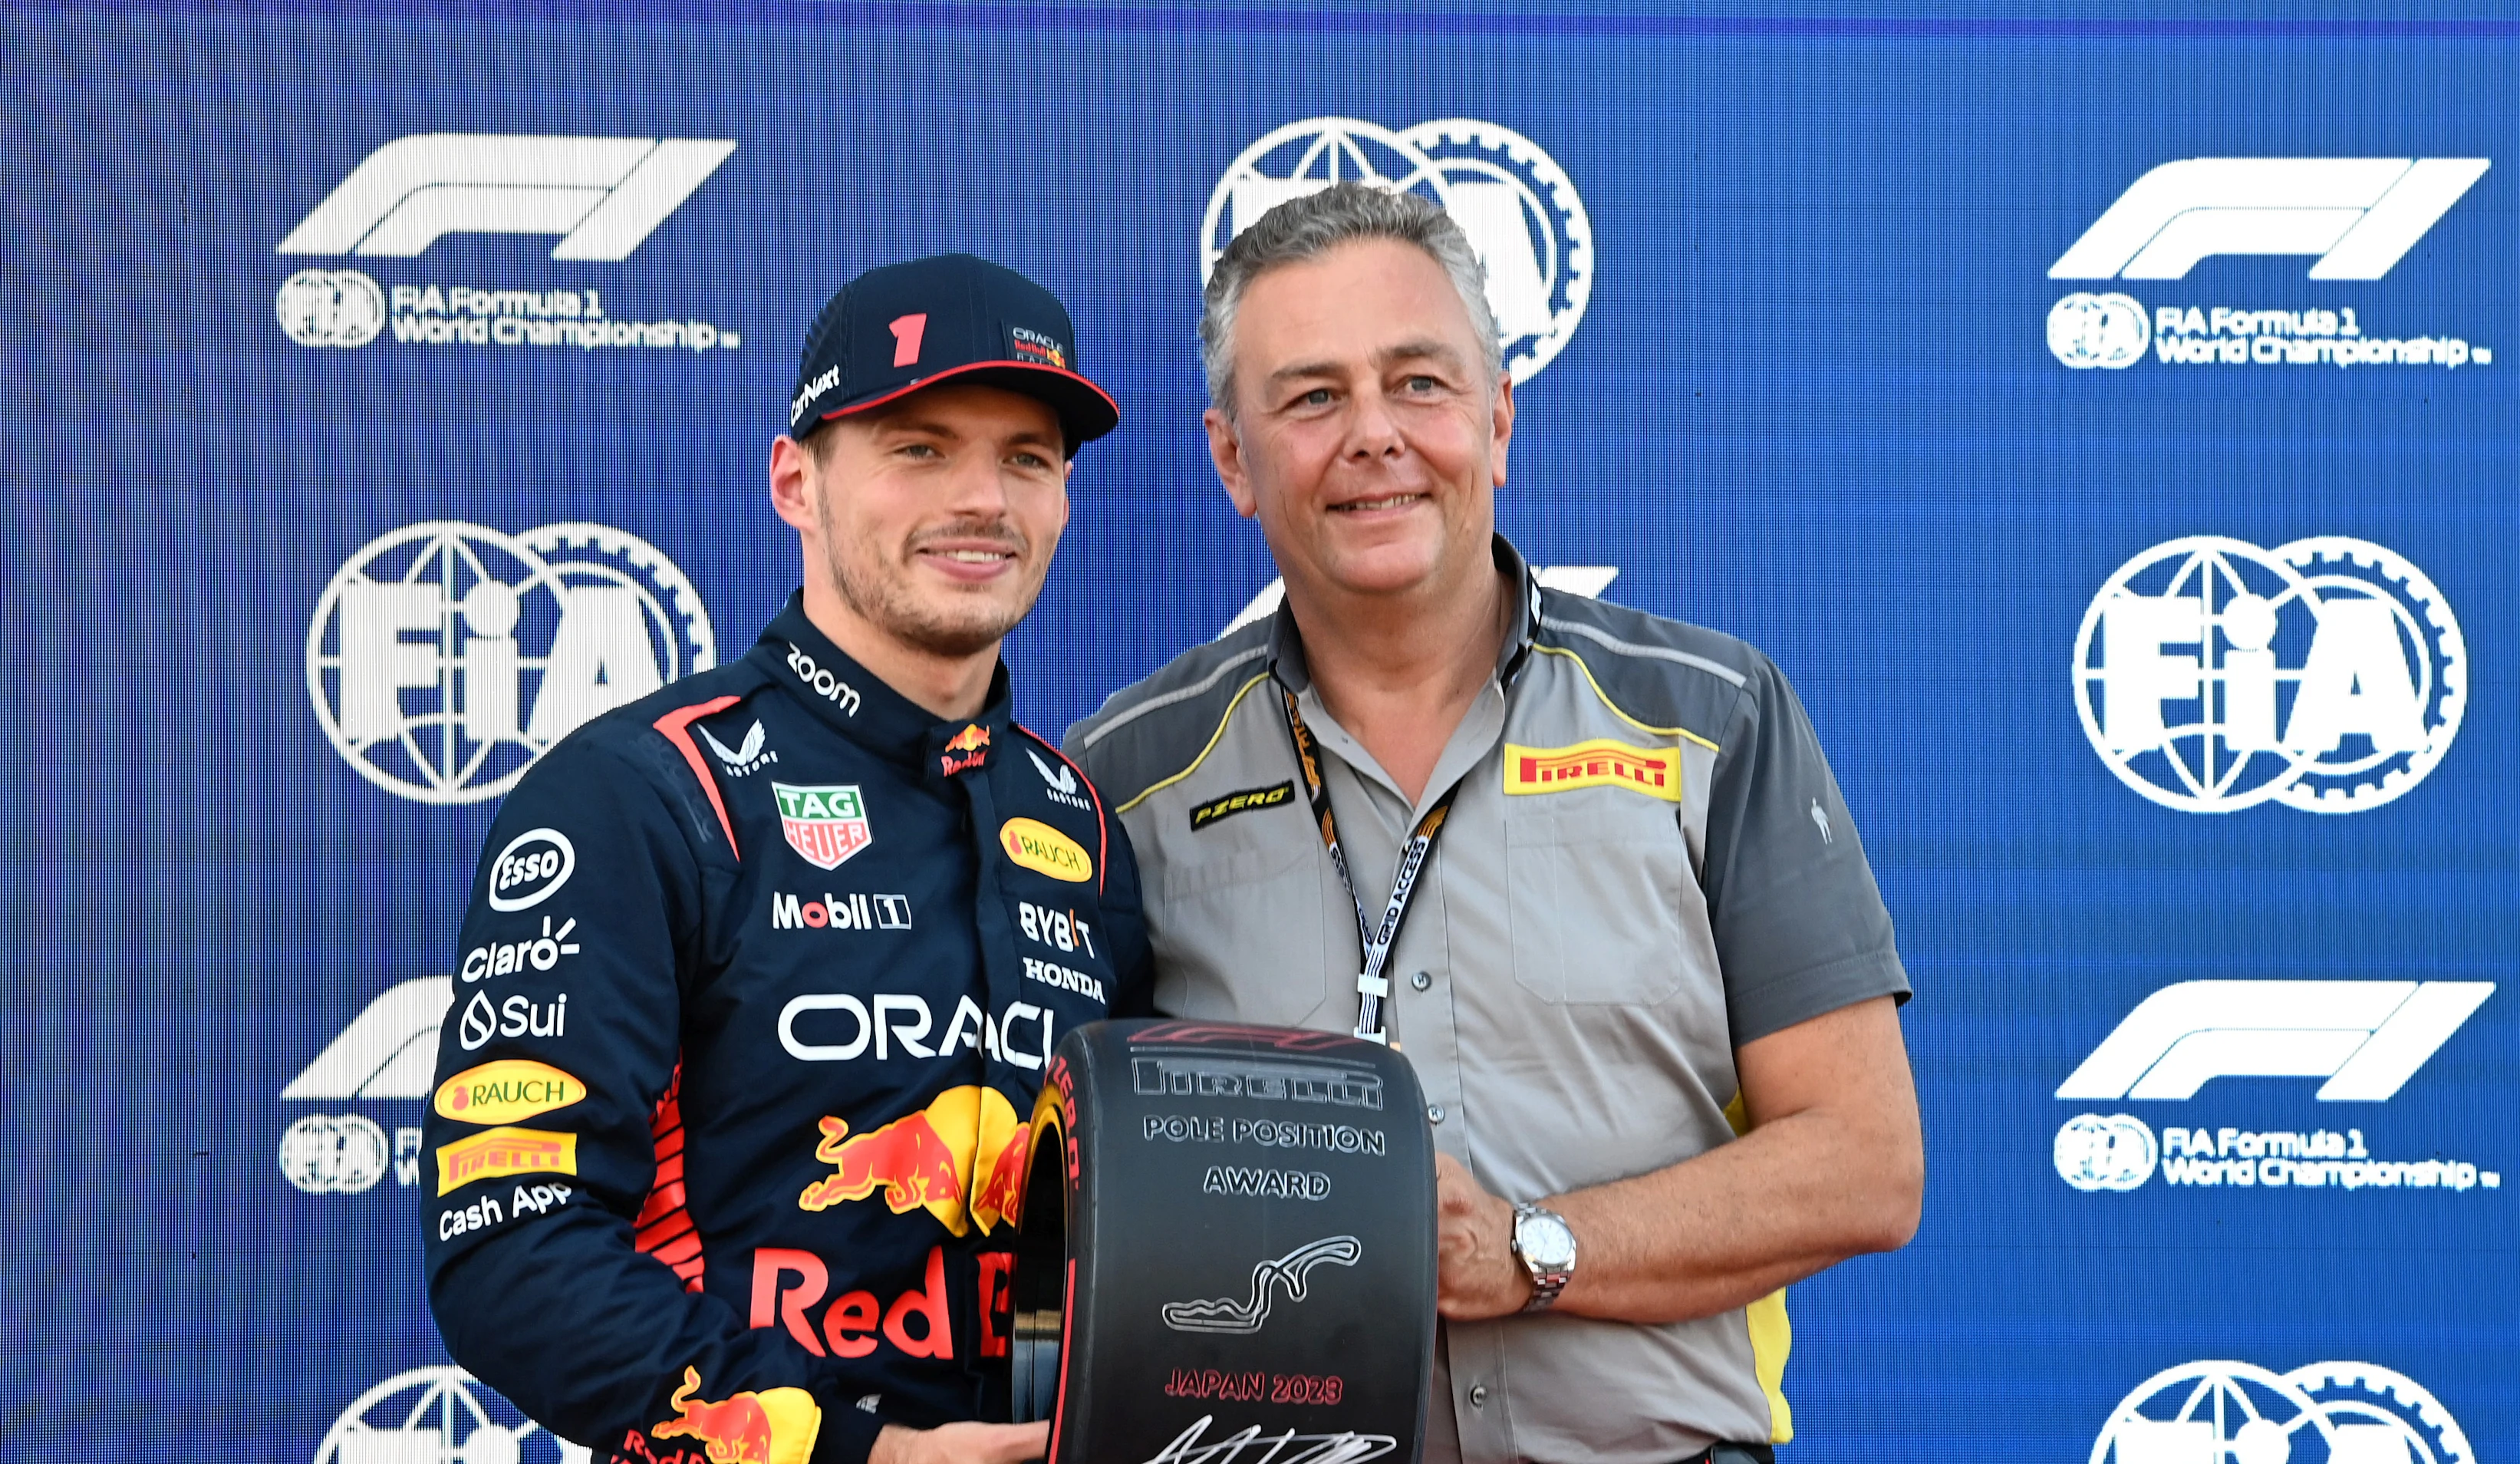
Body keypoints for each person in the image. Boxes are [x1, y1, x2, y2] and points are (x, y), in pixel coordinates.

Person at [1066, 183, 1922, 1464]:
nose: (1374, 436)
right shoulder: (1122, 776)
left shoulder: (1712, 719)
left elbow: (1865, 1164)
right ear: (1232, 460)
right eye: (1311, 398)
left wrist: (1531, 1250)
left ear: (1499, 417)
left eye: (1420, 382)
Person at [423, 253, 1152, 1464]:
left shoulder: (1076, 820)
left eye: (1027, 457)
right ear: (794, 481)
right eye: (919, 448)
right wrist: (853, 1456)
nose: (984, 497)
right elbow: (512, 1243)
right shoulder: (640, 793)